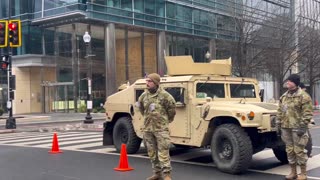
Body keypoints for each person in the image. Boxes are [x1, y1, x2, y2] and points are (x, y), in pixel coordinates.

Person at [137, 73, 176, 180]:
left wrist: (164, 121)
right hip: (148, 129)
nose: (147, 83)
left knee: (163, 152)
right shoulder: (144, 96)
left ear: (156, 83)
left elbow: (171, 110)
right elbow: (141, 109)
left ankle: (167, 175)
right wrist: (148, 119)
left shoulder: (165, 96)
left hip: (161, 129)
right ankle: (157, 173)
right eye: (147, 81)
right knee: (152, 153)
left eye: (150, 81)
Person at [277, 74, 313, 180]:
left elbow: (307, 113)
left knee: (299, 150)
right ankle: (293, 172)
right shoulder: (284, 97)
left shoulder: (304, 96)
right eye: (287, 81)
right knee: (289, 150)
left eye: (290, 81)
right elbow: (280, 111)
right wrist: (278, 125)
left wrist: (303, 126)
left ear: (295, 83)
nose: (287, 82)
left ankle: (303, 174)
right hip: (286, 127)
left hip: (298, 128)